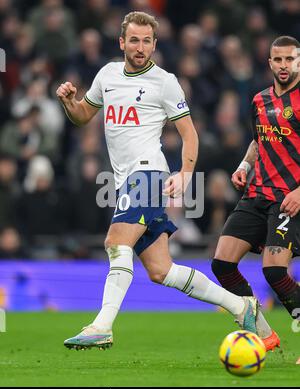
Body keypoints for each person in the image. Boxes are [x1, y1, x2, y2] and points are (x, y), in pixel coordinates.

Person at [57, 11, 264, 351]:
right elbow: (82, 116)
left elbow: (190, 135)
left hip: (148, 173)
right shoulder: (107, 74)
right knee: (161, 270)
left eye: (147, 41)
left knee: (115, 241)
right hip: (125, 179)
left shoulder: (165, 81)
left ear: (155, 44)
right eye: (134, 40)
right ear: (122, 42)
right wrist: (68, 102)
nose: (140, 47)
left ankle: (101, 325)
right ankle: (240, 305)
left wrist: (185, 173)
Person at [211, 35, 300, 354]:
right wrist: (244, 166)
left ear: (299, 61)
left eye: (290, 59)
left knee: (274, 270)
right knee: (222, 263)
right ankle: (263, 332)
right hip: (257, 192)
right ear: (270, 63)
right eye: (278, 60)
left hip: (289, 198)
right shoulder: (259, 100)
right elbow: (258, 141)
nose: (284, 65)